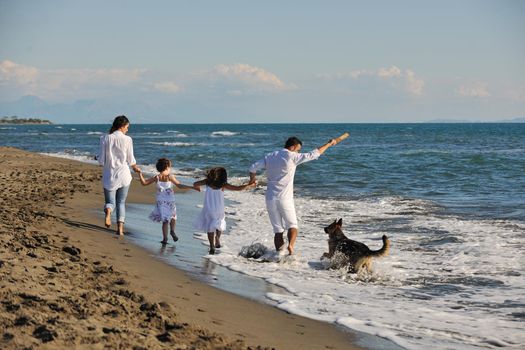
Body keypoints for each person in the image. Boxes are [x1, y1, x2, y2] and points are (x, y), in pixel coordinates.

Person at [249, 136, 336, 255]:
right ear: (292, 147)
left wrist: (252, 181)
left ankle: (279, 255)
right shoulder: (292, 156)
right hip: (285, 199)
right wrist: (329, 144)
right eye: (298, 150)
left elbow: (252, 168)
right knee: (292, 225)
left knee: (278, 230)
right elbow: (314, 154)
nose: (298, 152)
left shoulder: (270, 156)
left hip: (270, 198)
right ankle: (290, 246)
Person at [193, 167, 255, 255]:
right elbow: (238, 188)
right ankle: (217, 238)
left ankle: (211, 246)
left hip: (208, 209)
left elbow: (195, 183)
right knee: (219, 223)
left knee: (210, 226)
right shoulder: (223, 184)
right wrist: (249, 185)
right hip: (219, 209)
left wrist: (198, 187)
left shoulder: (207, 182)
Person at [137, 158, 198, 245]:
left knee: (165, 221)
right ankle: (172, 231)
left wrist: (140, 174)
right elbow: (179, 186)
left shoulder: (157, 177)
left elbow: (144, 183)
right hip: (170, 201)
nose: (170, 168)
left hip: (161, 202)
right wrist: (192, 187)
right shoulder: (170, 176)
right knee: (173, 217)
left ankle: (165, 239)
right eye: (170, 166)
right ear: (166, 167)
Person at [98, 115, 140, 236]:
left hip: (109, 174)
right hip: (124, 174)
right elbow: (131, 159)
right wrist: (135, 167)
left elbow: (101, 161)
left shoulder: (105, 138)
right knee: (121, 202)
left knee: (110, 201)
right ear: (122, 126)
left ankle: (108, 211)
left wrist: (97, 158)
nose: (127, 129)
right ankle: (120, 229)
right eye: (127, 127)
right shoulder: (128, 139)